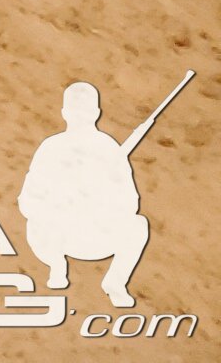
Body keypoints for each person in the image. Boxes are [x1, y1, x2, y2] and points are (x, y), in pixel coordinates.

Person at [18, 81, 154, 308]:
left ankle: (115, 282)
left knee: (138, 225)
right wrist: (60, 202)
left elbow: (131, 203)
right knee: (36, 222)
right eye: (76, 111)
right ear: (65, 113)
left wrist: (100, 198)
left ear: (95, 113)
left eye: (84, 111)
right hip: (57, 238)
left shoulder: (109, 149)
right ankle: (57, 266)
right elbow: (27, 201)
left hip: (97, 235)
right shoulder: (51, 148)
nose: (80, 116)